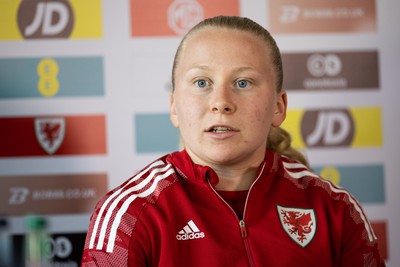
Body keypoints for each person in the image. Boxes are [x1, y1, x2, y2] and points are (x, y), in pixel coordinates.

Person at [81, 16, 385, 266]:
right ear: (174, 106)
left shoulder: (335, 209)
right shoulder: (130, 215)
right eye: (202, 83)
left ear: (278, 107)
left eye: (243, 83)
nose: (221, 102)